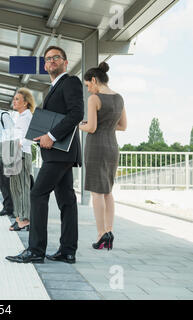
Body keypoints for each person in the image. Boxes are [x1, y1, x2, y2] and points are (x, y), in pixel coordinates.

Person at [6, 46, 84, 264]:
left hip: (60, 153)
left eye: (56, 57)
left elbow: (77, 113)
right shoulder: (53, 87)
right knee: (66, 200)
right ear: (44, 65)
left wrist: (51, 134)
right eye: (48, 59)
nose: (51, 61)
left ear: (65, 62)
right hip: (59, 155)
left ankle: (36, 250)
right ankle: (67, 251)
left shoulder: (70, 82)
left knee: (37, 194)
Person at [79, 62, 127, 250]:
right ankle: (109, 230)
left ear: (94, 80)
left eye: (88, 86)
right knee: (107, 191)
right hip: (112, 147)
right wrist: (105, 124)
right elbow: (123, 126)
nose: (89, 90)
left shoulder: (94, 99)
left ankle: (101, 235)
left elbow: (90, 128)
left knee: (96, 192)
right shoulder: (119, 98)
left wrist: (80, 125)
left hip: (96, 146)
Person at [8, 88, 35, 232]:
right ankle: (19, 217)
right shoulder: (19, 117)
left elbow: (30, 137)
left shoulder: (27, 117)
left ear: (25, 103)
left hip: (23, 154)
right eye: (14, 99)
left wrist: (20, 144)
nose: (14, 101)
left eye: (17, 99)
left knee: (23, 187)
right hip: (15, 154)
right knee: (15, 187)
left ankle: (25, 219)